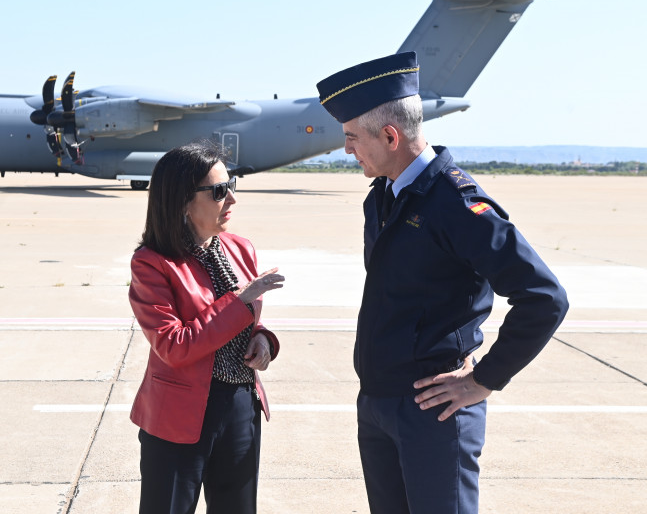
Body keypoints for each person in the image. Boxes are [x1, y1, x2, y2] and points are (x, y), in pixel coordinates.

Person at [315, 51, 569, 513]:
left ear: (390, 135)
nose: (347, 149)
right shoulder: (383, 198)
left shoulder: (456, 203)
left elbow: (544, 298)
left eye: (352, 138)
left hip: (434, 409)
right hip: (377, 403)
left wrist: (484, 379)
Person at [128, 143, 286, 514]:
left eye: (230, 185)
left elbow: (245, 319)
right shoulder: (152, 264)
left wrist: (262, 338)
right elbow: (174, 345)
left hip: (239, 406)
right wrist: (242, 300)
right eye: (218, 191)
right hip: (179, 413)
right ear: (183, 202)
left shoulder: (239, 248)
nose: (231, 198)